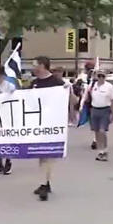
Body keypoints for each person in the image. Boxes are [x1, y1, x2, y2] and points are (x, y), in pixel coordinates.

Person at [29, 56, 65, 201]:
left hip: (53, 122)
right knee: (41, 153)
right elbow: (25, 99)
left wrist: (68, 90)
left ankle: (44, 184)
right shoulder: (34, 83)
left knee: (48, 153)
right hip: (39, 122)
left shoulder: (56, 82)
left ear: (43, 66)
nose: (33, 68)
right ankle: (46, 182)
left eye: (35, 65)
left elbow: (72, 99)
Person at [88, 70, 113, 161]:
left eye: (102, 76)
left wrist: (112, 113)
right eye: (99, 76)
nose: (100, 78)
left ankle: (105, 150)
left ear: (105, 77)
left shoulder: (109, 86)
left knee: (102, 131)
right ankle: (101, 151)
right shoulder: (93, 85)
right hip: (94, 109)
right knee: (96, 132)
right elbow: (87, 96)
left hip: (105, 110)